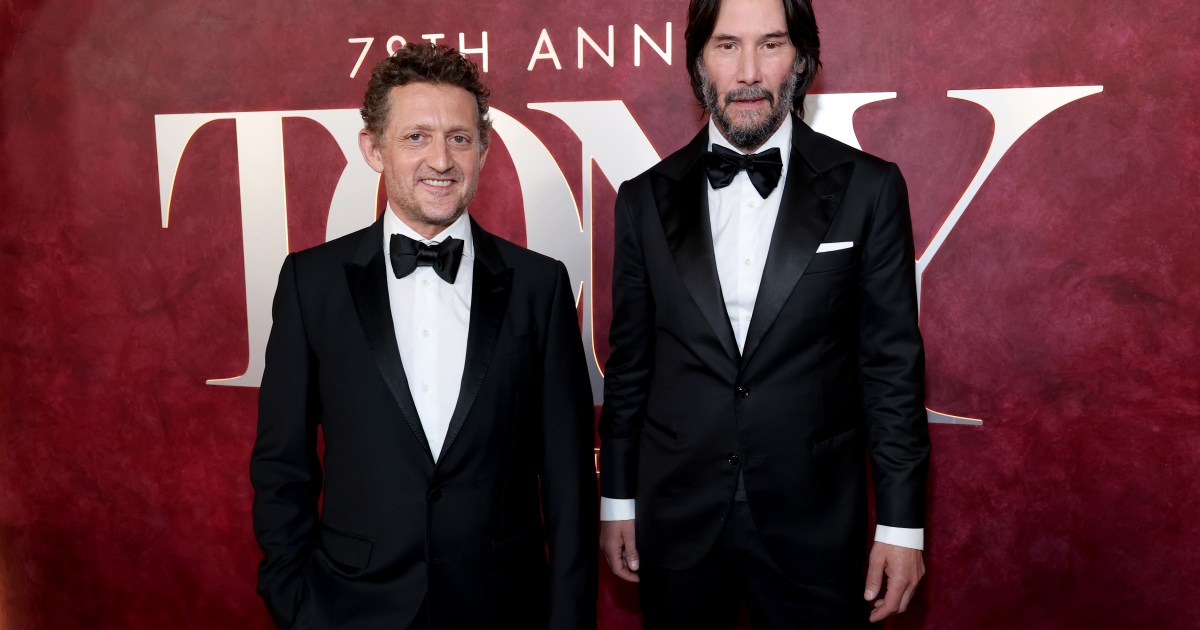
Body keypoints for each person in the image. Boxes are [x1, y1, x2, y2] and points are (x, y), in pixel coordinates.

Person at [597, 0, 931, 626]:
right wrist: (617, 499)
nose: (749, 71)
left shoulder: (870, 188)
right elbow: (631, 368)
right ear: (699, 62)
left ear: (801, 61)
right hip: (678, 519)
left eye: (771, 44)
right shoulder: (642, 200)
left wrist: (901, 525)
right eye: (727, 45)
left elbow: (891, 372)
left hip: (816, 520)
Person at [250, 43, 597, 630]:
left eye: (459, 138)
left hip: (503, 610)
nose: (441, 159)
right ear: (373, 148)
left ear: (483, 150)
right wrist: (296, 602)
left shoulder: (540, 286)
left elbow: (568, 480)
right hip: (350, 608)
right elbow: (283, 464)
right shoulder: (312, 284)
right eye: (416, 137)